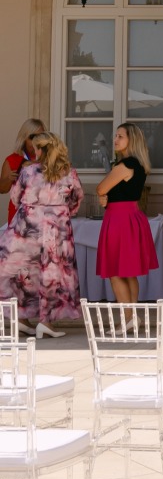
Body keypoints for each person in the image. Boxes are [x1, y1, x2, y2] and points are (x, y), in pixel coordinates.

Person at [0, 131, 83, 337]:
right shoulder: (69, 172)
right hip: (57, 229)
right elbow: (76, 200)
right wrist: (58, 212)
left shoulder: (28, 172)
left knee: (23, 272)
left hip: (27, 227)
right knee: (52, 274)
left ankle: (20, 316)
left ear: (39, 149)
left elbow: (15, 197)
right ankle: (44, 322)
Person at [96, 121, 158, 310]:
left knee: (115, 272)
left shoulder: (124, 165)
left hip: (119, 220)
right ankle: (132, 317)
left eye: (120, 136)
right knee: (129, 272)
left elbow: (101, 188)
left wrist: (104, 196)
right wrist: (106, 198)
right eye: (115, 135)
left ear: (132, 140)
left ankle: (128, 318)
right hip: (131, 217)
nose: (115, 139)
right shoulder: (138, 165)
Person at [0, 119, 45, 227]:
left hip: (43, 217)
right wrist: (9, 179)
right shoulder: (12, 160)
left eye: (41, 137)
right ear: (24, 138)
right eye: (32, 137)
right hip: (18, 218)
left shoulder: (48, 159)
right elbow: (2, 189)